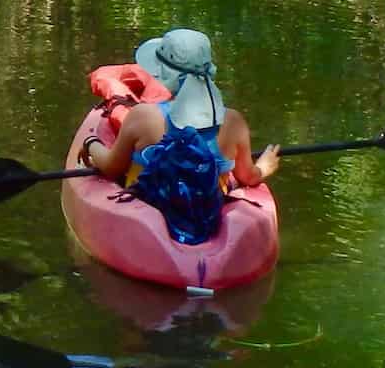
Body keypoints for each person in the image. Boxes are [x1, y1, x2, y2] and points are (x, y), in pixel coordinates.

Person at [81, 29, 281, 245]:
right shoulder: (233, 121)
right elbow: (248, 177)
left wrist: (91, 143)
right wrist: (264, 167)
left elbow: (112, 168)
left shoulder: (143, 116)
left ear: (164, 74)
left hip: (147, 214)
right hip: (205, 217)